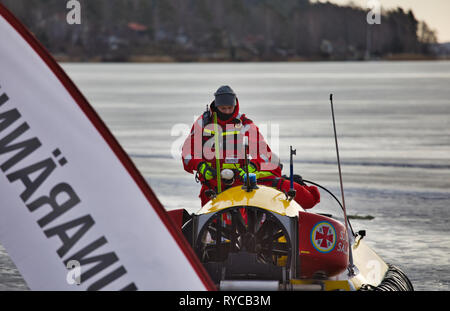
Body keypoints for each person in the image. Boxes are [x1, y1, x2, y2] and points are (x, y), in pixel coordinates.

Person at [181, 85, 320, 208]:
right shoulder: (203, 123)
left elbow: (264, 153)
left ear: (235, 105)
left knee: (298, 193)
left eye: (230, 108)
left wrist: (252, 166)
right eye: (223, 108)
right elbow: (187, 153)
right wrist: (201, 166)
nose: (227, 111)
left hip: (242, 181)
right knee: (210, 221)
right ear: (216, 106)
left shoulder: (245, 124)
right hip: (213, 183)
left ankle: (306, 193)